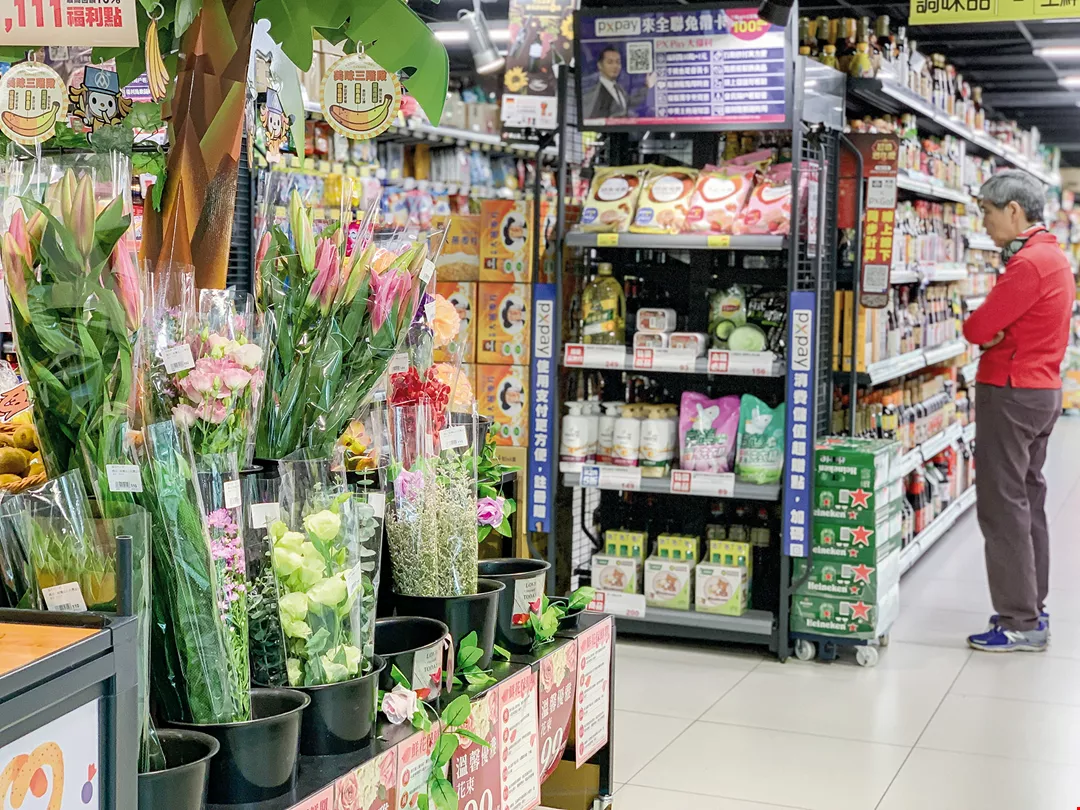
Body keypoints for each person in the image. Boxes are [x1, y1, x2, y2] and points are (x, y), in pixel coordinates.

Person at [962, 169, 1074, 652]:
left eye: (987, 212)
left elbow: (976, 328)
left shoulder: (1028, 264)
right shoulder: (1053, 256)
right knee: (1027, 501)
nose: (984, 222)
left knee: (1002, 507)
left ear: (1013, 210)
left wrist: (990, 333)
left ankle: (1019, 621)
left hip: (1011, 393)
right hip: (1041, 391)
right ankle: (1032, 606)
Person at [583, 47, 654, 121]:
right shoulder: (595, 92)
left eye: (618, 62)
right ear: (600, 65)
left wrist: (646, 86)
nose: (615, 66)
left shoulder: (617, 87)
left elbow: (629, 102)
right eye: (610, 62)